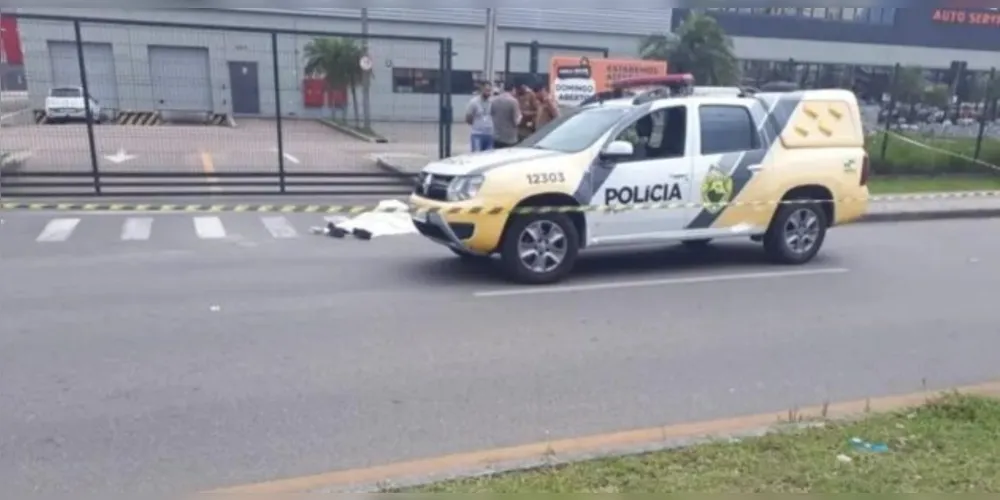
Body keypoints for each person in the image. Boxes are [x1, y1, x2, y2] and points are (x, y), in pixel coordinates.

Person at [465, 81, 495, 152]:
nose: (488, 93)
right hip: (477, 134)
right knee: (476, 155)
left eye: (489, 90)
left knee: (489, 156)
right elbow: (468, 117)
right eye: (486, 90)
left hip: (489, 134)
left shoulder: (492, 102)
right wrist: (477, 124)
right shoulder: (474, 102)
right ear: (481, 90)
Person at [491, 82, 521, 149]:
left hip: (497, 137)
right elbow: (516, 121)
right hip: (510, 138)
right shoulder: (513, 101)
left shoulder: (494, 100)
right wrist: (521, 116)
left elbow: (491, 115)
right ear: (513, 89)